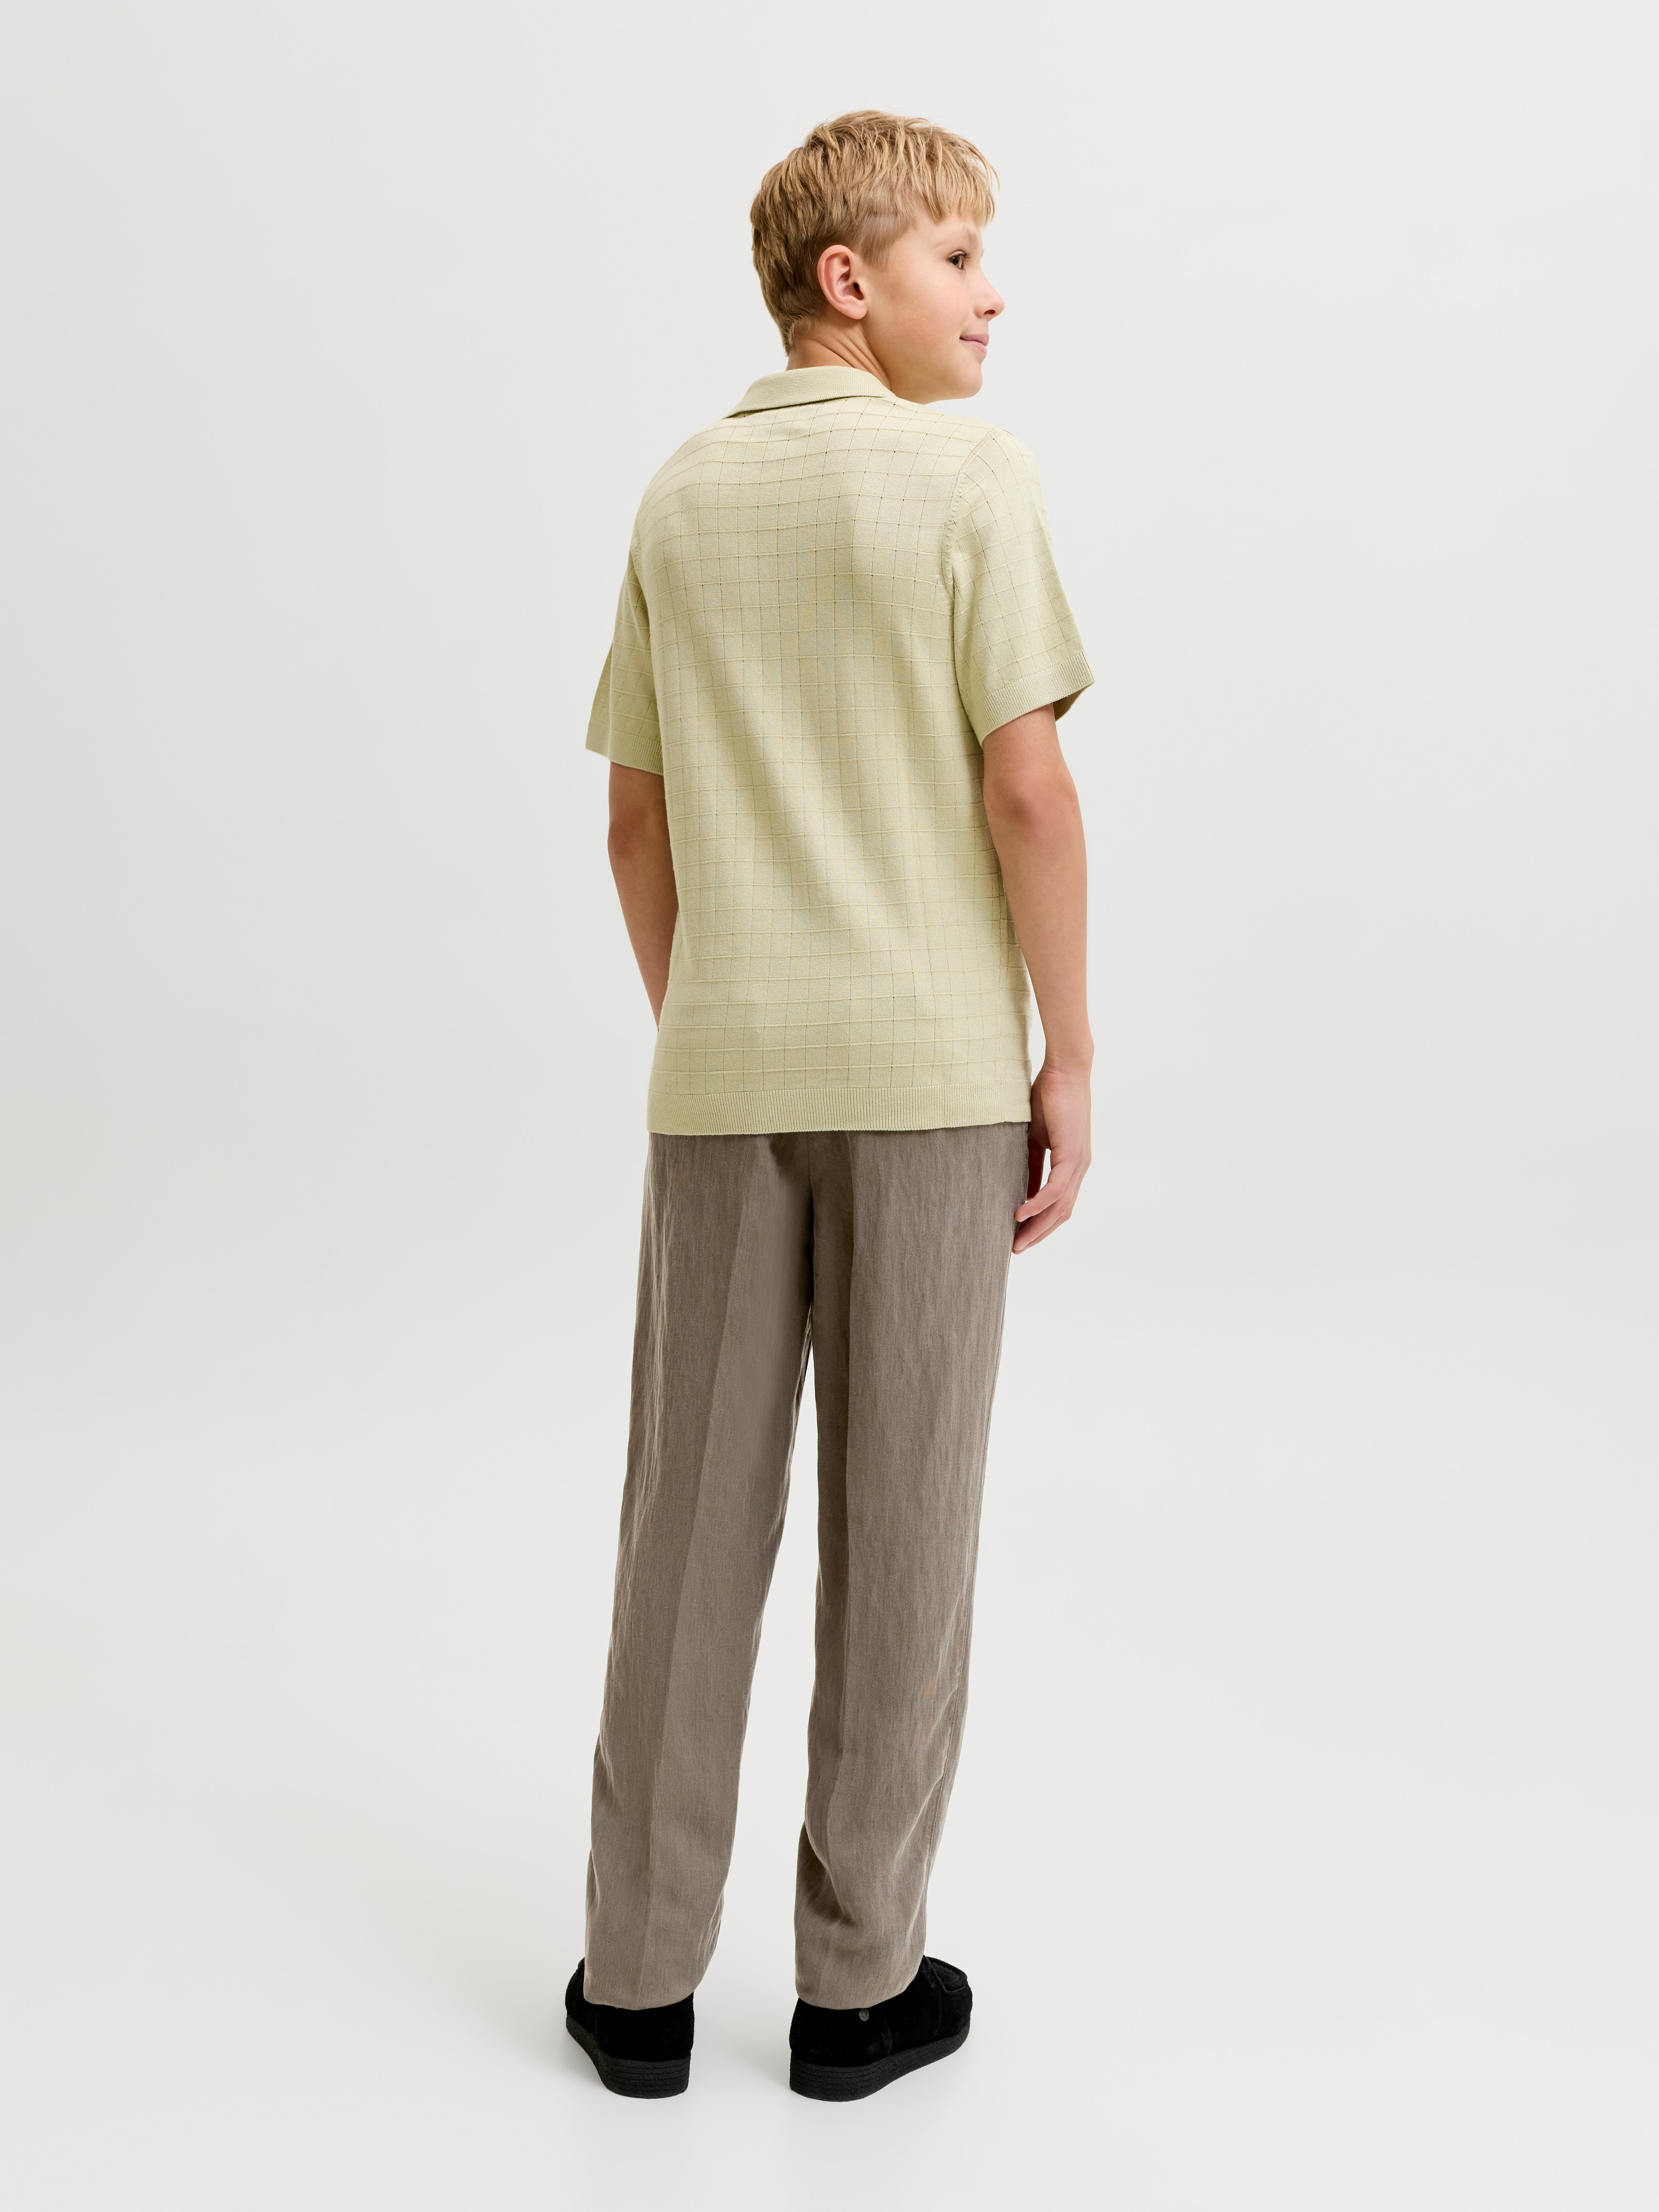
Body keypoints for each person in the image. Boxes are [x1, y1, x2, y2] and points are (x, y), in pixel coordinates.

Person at [565, 110, 1094, 2102]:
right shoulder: (971, 475)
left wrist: (711, 1014)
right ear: (848, 280)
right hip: (934, 1079)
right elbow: (1029, 788)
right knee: (905, 1524)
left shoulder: (679, 495)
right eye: (962, 255)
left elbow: (633, 822)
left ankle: (636, 1985)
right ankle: (856, 1992)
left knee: (685, 1527)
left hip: (724, 1082)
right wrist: (1072, 1052)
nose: (995, 294)